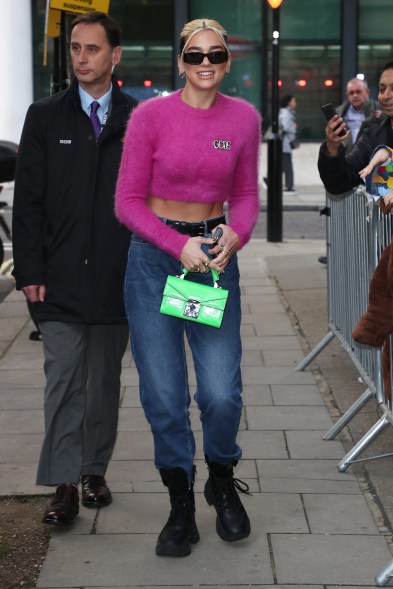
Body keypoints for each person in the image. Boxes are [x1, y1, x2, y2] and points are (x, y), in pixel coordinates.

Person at [115, 18, 260, 557]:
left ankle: (220, 478)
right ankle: (180, 501)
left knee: (221, 393)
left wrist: (236, 233)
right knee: (164, 396)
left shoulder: (243, 118)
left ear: (227, 62)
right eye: (194, 54)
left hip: (214, 265)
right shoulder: (150, 115)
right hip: (156, 265)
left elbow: (245, 194)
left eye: (215, 55)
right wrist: (177, 247)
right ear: (180, 60)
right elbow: (127, 203)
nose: (205, 63)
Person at [12, 11, 138, 526]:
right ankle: (63, 483)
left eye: (92, 49)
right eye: (76, 49)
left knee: (103, 381)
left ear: (114, 56)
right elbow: (28, 204)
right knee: (63, 378)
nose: (81, 58)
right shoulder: (44, 116)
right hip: (58, 277)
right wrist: (29, 271)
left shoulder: (139, 118)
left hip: (117, 279)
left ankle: (93, 470)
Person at [318, 62, 393, 197]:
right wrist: (332, 148)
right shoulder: (371, 138)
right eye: (382, 90)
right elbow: (339, 182)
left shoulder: (375, 114)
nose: (386, 96)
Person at [336, 77, 383, 155]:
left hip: (371, 159)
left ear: (367, 92)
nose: (355, 95)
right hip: (347, 159)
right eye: (351, 93)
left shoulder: (380, 109)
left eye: (358, 92)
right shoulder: (338, 113)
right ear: (347, 95)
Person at [279, 94, 298, 192]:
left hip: (284, 144)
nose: (295, 103)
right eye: (294, 101)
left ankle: (269, 179)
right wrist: (293, 127)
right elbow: (286, 127)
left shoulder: (286, 112)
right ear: (288, 102)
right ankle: (289, 185)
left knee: (282, 165)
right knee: (288, 166)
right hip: (285, 144)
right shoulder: (286, 113)